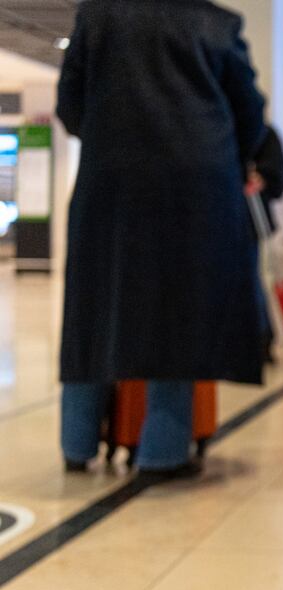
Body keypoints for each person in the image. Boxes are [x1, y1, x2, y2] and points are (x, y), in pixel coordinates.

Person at [56, 0, 266, 481]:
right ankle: (162, 453)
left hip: (111, 183)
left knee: (95, 307)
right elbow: (249, 112)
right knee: (179, 316)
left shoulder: (98, 15)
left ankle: (76, 443)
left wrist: (110, 138)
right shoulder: (216, 22)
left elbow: (70, 103)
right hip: (194, 188)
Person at [248, 125, 283, 366]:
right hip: (219, 217)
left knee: (251, 278)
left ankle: (262, 339)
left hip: (250, 218)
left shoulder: (263, 133)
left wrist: (260, 177)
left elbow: (276, 178)